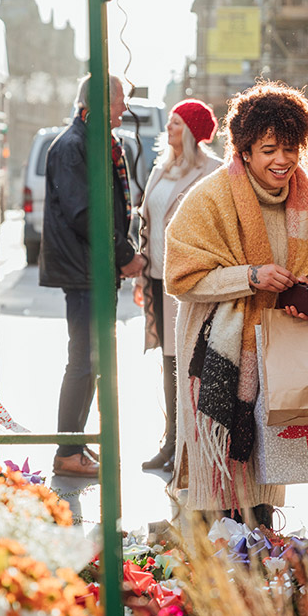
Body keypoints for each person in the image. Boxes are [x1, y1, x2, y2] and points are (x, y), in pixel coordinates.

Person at [164, 81, 308, 528]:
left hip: (279, 351)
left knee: (263, 471)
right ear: (243, 152)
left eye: (290, 148)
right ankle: (211, 578)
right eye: (269, 150)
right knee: (218, 478)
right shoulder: (209, 196)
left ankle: (259, 567)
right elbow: (181, 277)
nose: (282, 160)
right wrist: (251, 277)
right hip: (217, 352)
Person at [39, 74, 144, 478]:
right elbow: (87, 213)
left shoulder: (95, 142)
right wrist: (124, 254)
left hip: (92, 269)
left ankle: (74, 448)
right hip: (85, 270)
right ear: (101, 103)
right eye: (120, 101)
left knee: (90, 361)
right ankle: (68, 451)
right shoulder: (73, 145)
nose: (125, 109)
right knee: (82, 362)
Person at [135, 99, 222, 474]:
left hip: (186, 281)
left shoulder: (211, 171)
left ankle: (184, 445)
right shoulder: (162, 168)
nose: (167, 128)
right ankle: (170, 441)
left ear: (190, 130)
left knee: (184, 363)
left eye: (174, 123)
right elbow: (147, 222)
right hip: (156, 278)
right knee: (167, 362)